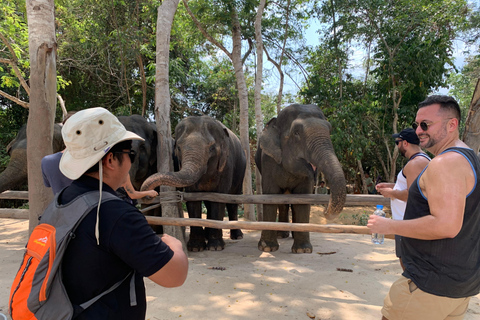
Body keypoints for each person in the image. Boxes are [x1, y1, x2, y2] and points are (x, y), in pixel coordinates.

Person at [57, 107, 188, 319]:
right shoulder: (117, 214)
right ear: (110, 160)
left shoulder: (62, 199)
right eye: (131, 155)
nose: (130, 163)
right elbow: (175, 276)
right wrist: (176, 246)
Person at [367, 95, 480, 320]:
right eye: (417, 125)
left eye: (426, 124)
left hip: (428, 285)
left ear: (452, 124)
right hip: (459, 286)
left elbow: (446, 225)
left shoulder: (445, 163)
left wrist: (389, 225)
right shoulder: (470, 159)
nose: (419, 131)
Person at [375, 128, 430, 270]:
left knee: (408, 266)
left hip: (407, 224)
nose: (397, 146)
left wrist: (391, 193)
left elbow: (413, 195)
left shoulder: (415, 163)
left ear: (405, 143)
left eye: (397, 142)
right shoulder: (423, 159)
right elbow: (413, 187)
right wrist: (391, 186)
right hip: (410, 223)